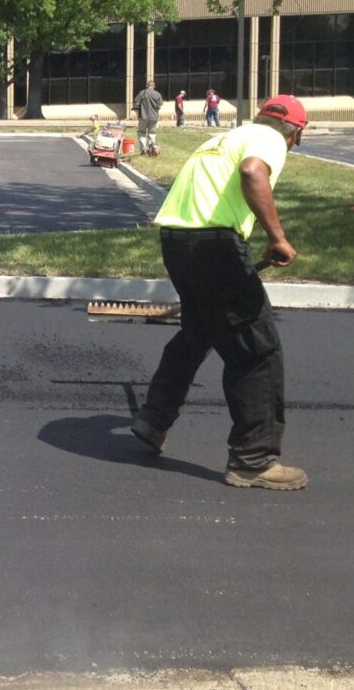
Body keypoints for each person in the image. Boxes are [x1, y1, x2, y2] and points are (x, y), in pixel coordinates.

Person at [129, 95, 309, 490]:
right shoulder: (270, 139)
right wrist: (277, 238)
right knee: (257, 351)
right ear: (296, 132)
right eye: (297, 137)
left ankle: (154, 418)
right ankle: (254, 460)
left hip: (177, 240)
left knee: (199, 333)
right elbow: (252, 173)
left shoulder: (228, 137)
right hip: (215, 247)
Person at [133, 78, 164, 155]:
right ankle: (152, 149)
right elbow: (159, 105)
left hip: (143, 116)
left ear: (147, 86)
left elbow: (136, 104)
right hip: (154, 117)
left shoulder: (142, 93)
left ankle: (144, 148)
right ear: (154, 86)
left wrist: (137, 111)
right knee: (152, 133)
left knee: (141, 132)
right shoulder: (158, 94)